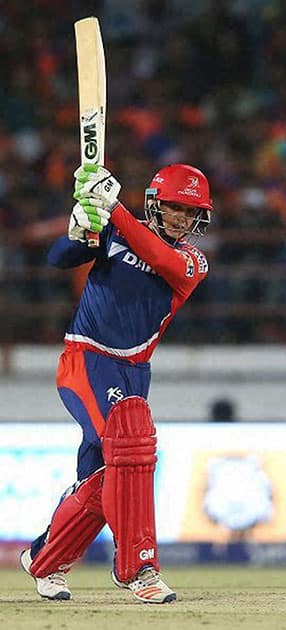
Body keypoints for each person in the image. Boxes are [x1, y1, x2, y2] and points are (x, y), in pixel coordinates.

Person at [20, 162, 214, 603]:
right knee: (129, 448)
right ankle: (139, 569)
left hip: (133, 371)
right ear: (155, 203)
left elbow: (160, 257)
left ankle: (44, 558)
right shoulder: (114, 229)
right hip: (86, 358)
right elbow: (58, 259)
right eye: (174, 207)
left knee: (103, 475)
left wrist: (114, 208)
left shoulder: (192, 261)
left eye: (190, 211)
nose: (182, 218)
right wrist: (79, 230)